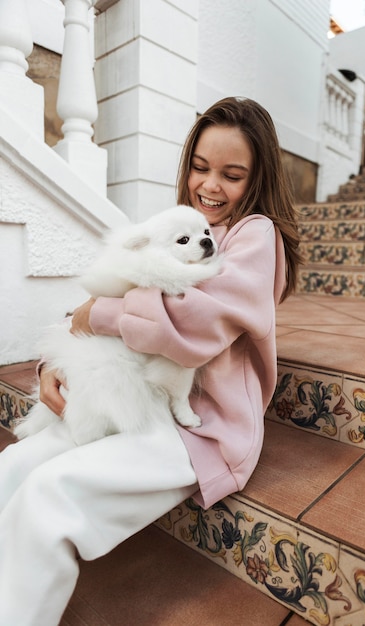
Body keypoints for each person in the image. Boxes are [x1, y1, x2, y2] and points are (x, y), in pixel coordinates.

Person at [0, 96, 302, 625]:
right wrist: (59, 361)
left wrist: (95, 315)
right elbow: (119, 295)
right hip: (138, 398)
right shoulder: (180, 224)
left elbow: (192, 322)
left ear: (257, 180)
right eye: (200, 168)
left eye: (232, 175)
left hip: (199, 427)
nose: (210, 185)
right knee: (14, 467)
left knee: (49, 498)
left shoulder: (256, 234)